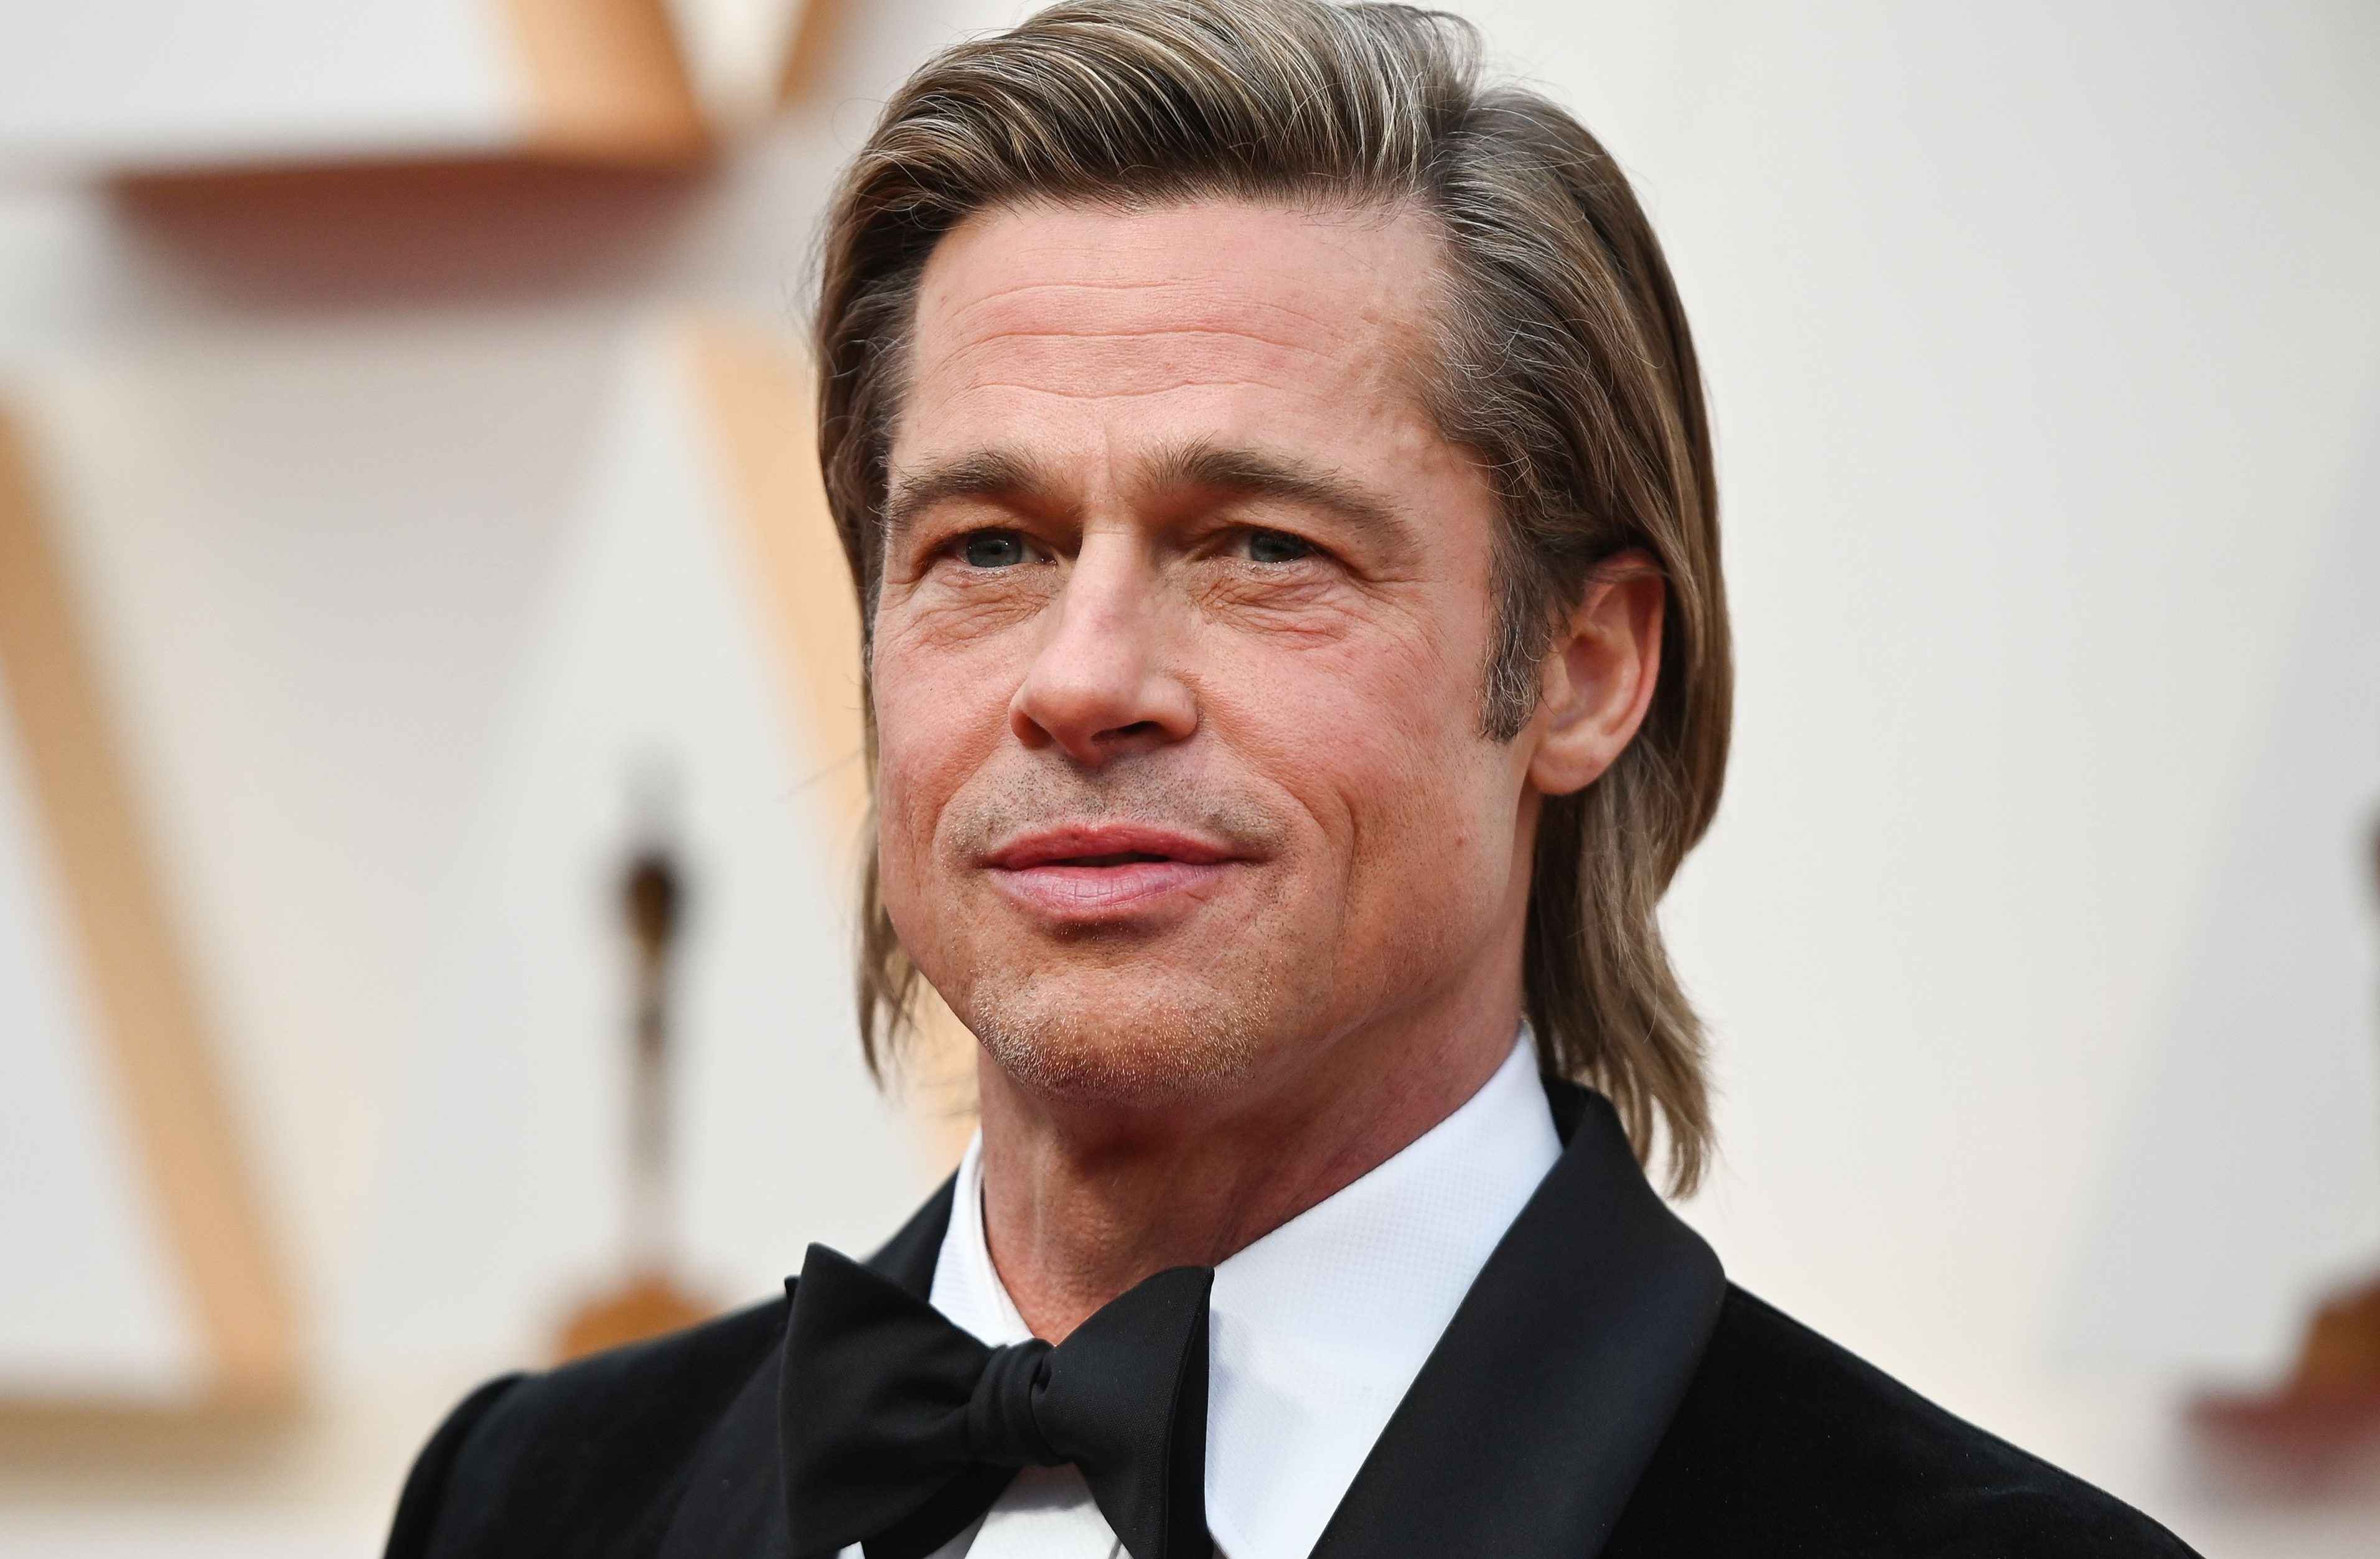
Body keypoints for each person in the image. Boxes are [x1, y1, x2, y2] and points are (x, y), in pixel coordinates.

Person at [383, 2, 2196, 1555]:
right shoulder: (526, 1501)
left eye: (1258, 547)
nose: (1084, 679)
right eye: (988, 547)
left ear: (1582, 665)